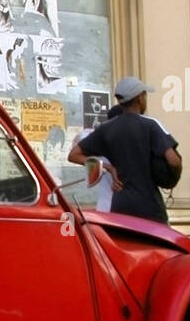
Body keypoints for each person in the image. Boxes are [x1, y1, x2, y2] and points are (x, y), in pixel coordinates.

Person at [67, 76, 181, 224]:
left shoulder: (106, 129)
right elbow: (174, 160)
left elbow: (73, 155)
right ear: (140, 98)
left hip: (120, 207)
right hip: (150, 208)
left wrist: (108, 167)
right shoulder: (151, 125)